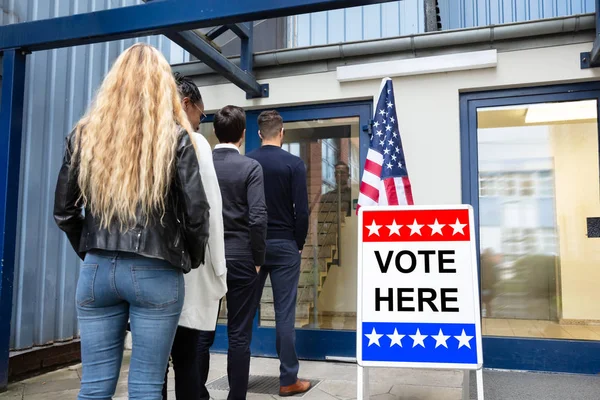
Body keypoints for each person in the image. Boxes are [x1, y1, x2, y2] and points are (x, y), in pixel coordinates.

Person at [53, 43, 210, 400]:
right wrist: (188, 258)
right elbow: (197, 214)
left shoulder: (85, 135)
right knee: (144, 387)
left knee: (93, 387)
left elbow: (64, 212)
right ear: (162, 86)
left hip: (96, 271)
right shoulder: (175, 137)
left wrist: (93, 251)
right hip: (156, 271)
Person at [161, 73, 228, 400]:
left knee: (151, 372)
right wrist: (217, 269)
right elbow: (207, 211)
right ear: (185, 104)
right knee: (188, 366)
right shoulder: (192, 141)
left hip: (142, 270)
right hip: (185, 269)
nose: (201, 122)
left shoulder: (140, 139)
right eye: (201, 114)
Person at [247, 110, 311, 397]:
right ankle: (288, 380)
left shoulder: (248, 161)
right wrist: (297, 242)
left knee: (244, 313)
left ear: (260, 133)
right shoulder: (294, 164)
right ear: (281, 132)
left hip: (253, 247)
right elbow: (302, 210)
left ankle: (239, 378)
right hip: (285, 245)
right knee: (284, 314)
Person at [212, 105, 268, 400]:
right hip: (243, 258)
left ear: (214, 132)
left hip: (207, 259)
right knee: (239, 334)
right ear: (243, 135)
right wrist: (258, 259)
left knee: (200, 333)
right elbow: (258, 217)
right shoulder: (250, 168)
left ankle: (198, 393)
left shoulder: (202, 164)